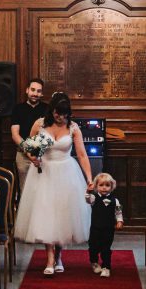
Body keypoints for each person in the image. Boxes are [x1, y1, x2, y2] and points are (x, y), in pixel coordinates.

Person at [15, 92, 94, 276]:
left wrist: (89, 178)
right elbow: (29, 147)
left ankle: (59, 255)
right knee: (46, 215)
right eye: (58, 114)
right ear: (52, 111)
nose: (61, 118)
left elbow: (82, 155)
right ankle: (50, 259)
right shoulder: (40, 124)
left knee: (63, 215)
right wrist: (33, 157)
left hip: (67, 172)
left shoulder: (73, 127)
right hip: (45, 173)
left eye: (65, 115)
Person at [10, 77, 49, 191]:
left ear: (41, 93)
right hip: (22, 155)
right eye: (33, 90)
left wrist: (36, 154)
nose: (35, 93)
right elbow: (15, 135)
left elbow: (49, 133)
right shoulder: (18, 109)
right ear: (27, 90)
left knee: (42, 190)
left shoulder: (47, 109)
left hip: (43, 156)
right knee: (25, 190)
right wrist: (29, 152)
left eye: (38, 91)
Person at [85, 172, 123, 277]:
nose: (104, 188)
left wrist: (119, 221)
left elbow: (118, 212)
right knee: (93, 248)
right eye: (101, 185)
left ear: (112, 186)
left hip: (108, 229)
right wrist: (88, 191)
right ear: (96, 186)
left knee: (106, 249)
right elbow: (87, 200)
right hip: (95, 228)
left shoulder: (115, 200)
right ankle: (94, 262)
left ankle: (106, 267)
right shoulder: (94, 198)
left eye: (107, 185)